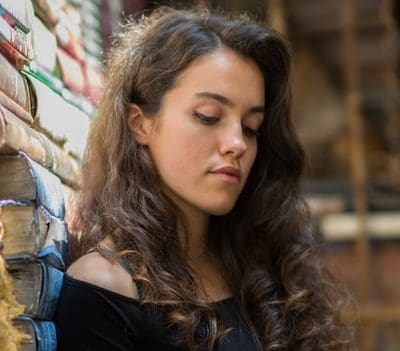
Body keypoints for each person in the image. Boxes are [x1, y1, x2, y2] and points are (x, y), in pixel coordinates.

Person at [54, 7, 353, 351]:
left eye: (251, 128)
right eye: (209, 117)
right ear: (140, 123)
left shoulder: (263, 268)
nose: (237, 144)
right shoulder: (105, 289)